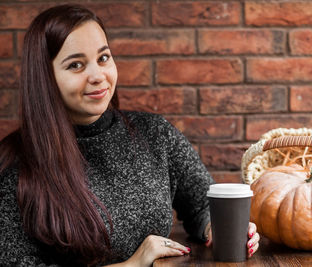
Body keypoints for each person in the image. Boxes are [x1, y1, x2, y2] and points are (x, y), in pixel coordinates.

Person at [0, 4, 260, 266]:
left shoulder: (155, 134)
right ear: (45, 77)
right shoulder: (15, 166)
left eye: (103, 58)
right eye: (76, 65)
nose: (98, 76)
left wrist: (218, 228)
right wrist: (133, 264)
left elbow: (203, 206)